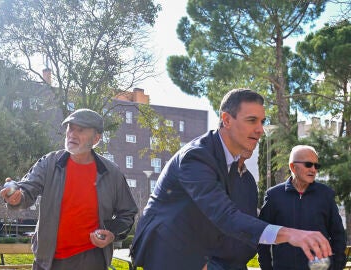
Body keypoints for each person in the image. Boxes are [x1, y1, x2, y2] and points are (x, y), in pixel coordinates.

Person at [130, 88, 332, 270]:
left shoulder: (240, 173)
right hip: (171, 255)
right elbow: (224, 215)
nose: (260, 129)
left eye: (262, 122)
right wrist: (291, 234)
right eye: (252, 120)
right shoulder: (197, 157)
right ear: (226, 119)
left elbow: (239, 224)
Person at [0, 108, 138, 270]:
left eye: (80, 130)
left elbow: (128, 213)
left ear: (96, 138)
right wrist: (16, 196)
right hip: (47, 261)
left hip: (91, 260)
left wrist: (112, 233)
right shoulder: (49, 163)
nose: (72, 134)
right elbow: (26, 190)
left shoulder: (112, 173)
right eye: (70, 128)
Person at [258, 145, 346, 270]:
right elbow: (263, 236)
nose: (314, 169)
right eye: (309, 164)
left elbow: (338, 236)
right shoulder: (274, 196)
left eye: (316, 166)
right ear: (293, 167)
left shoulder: (326, 194)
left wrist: (336, 267)